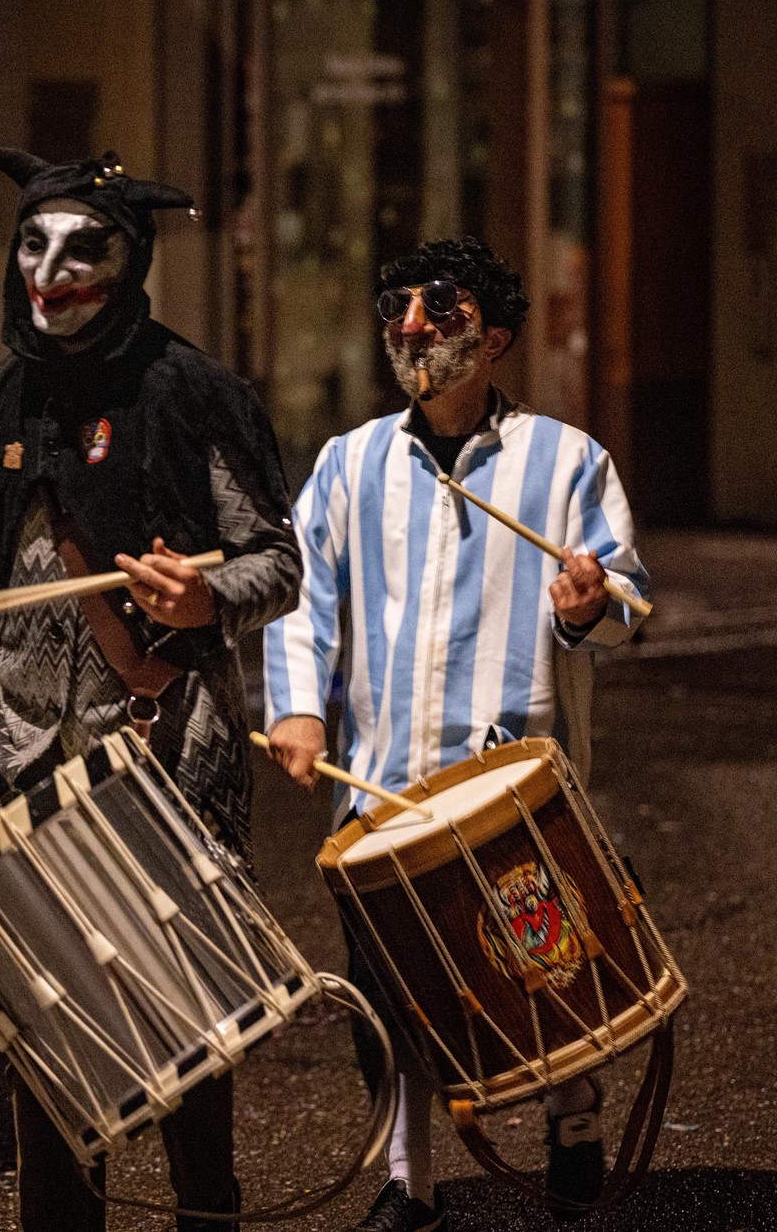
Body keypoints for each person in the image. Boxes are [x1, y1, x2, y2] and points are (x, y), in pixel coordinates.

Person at [0, 149, 302, 1231]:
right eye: (33, 243)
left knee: (191, 1017)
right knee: (42, 1021)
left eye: (81, 247)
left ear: (128, 261)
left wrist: (201, 602)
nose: (48, 269)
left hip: (170, 752)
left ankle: (203, 1208)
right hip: (26, 763)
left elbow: (275, 562)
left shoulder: (190, 394)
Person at [262, 236, 648, 1232]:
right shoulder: (347, 464)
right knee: (397, 1005)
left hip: (514, 788)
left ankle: (570, 1114)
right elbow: (299, 602)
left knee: (542, 971)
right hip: (381, 793)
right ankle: (410, 1181)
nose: (412, 325)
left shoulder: (566, 461)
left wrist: (582, 601)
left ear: (498, 335)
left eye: (440, 308)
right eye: (398, 304)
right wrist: (298, 705)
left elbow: (623, 607)